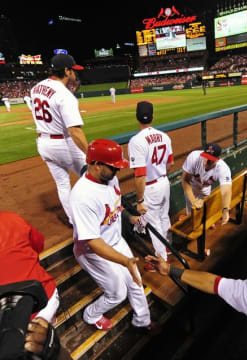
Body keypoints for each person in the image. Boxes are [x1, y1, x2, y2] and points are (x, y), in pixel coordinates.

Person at [70, 139, 155, 332]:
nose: (118, 172)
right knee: (117, 293)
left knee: (135, 280)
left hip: (115, 240)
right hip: (92, 251)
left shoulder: (109, 179)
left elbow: (116, 206)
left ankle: (143, 320)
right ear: (97, 165)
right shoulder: (82, 196)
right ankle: (91, 314)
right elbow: (92, 241)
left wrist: (132, 219)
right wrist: (125, 261)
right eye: (113, 167)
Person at [31, 53, 89, 226]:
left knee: (63, 185)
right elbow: (75, 131)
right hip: (63, 143)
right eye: (72, 70)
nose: (74, 73)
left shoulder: (36, 88)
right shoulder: (65, 95)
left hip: (43, 143)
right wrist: (90, 154)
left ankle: (74, 221)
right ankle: (102, 215)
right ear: (66, 70)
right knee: (93, 176)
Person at [128, 101, 173, 267]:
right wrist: (160, 170)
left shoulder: (136, 141)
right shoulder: (164, 136)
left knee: (153, 224)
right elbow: (170, 163)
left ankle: (162, 260)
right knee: (163, 216)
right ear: (152, 116)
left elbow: (140, 175)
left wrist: (139, 201)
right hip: (164, 181)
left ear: (137, 117)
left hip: (150, 187)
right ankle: (167, 247)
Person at [0, 212, 59, 324]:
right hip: (47, 297)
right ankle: (50, 321)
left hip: (8, 319)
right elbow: (39, 245)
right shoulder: (11, 218)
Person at [181, 143, 232, 225]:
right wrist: (194, 201)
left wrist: (225, 209)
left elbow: (226, 190)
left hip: (206, 187)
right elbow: (185, 180)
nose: (206, 161)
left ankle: (206, 222)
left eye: (210, 159)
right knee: (192, 212)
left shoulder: (223, 168)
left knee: (206, 208)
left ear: (217, 159)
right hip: (192, 186)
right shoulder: (194, 157)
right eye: (205, 156)